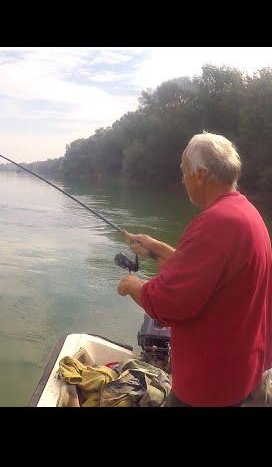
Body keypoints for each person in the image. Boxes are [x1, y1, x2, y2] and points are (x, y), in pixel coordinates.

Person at [116, 132, 271, 407]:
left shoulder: (214, 224)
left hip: (212, 386)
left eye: (184, 172)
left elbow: (167, 303)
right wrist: (157, 247)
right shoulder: (244, 213)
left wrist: (132, 285)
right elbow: (211, 272)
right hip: (244, 370)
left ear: (200, 175)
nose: (183, 180)